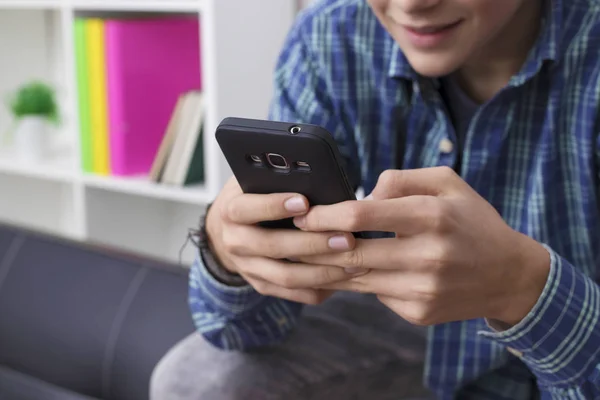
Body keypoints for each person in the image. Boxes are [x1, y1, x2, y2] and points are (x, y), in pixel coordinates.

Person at [151, 0, 600, 398]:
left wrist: (522, 287)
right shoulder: (332, 38)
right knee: (198, 379)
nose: (411, 4)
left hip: (573, 348)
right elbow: (243, 331)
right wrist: (227, 252)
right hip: (403, 338)